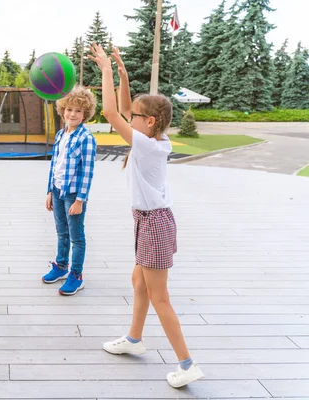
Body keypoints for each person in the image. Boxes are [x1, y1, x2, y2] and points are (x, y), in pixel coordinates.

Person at [88, 43, 204, 387]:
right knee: (138, 282)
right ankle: (134, 339)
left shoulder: (148, 146)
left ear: (149, 122)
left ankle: (187, 364)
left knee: (160, 297)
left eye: (135, 117)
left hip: (154, 224)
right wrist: (122, 73)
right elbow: (124, 108)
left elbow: (111, 113)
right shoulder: (153, 136)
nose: (129, 118)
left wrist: (106, 71)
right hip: (149, 221)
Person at [42, 85, 97, 296]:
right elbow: (54, 165)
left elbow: (87, 173)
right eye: (69, 109)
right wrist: (49, 191)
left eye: (78, 111)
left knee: (76, 236)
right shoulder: (60, 135)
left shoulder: (86, 139)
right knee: (61, 232)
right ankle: (61, 266)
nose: (72, 114)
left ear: (85, 114)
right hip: (57, 191)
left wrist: (80, 200)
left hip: (74, 195)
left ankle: (76, 275)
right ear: (62, 109)